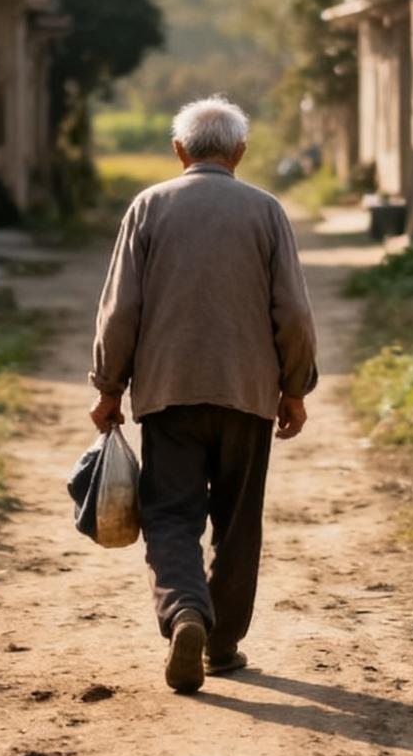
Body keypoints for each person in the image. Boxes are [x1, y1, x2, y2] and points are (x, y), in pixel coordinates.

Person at [88, 96, 318, 694]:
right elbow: (293, 312)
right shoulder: (266, 211)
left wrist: (109, 387)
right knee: (238, 522)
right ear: (240, 153)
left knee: (170, 513)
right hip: (247, 396)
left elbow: (120, 312)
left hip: (168, 394)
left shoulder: (148, 207)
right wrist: (294, 388)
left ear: (179, 150)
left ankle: (185, 612)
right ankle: (221, 644)